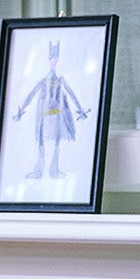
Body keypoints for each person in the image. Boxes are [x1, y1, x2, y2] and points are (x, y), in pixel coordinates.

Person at [13, 40, 89, 179]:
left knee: (56, 143)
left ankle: (54, 170)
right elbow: (31, 95)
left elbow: (72, 94)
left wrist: (81, 109)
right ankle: (39, 170)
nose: (53, 60)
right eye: (51, 58)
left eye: (55, 58)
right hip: (43, 115)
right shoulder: (43, 81)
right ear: (48, 60)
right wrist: (21, 110)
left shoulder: (61, 80)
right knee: (41, 143)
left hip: (57, 115)